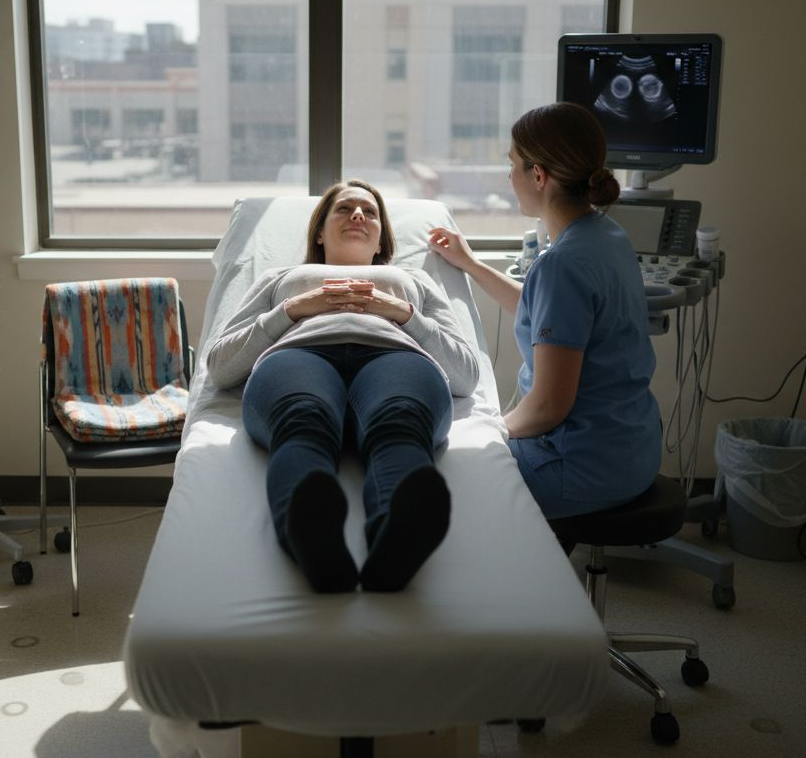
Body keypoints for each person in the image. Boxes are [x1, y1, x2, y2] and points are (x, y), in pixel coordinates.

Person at [206, 180, 480, 593]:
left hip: (395, 357)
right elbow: (221, 365)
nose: (358, 215)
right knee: (302, 418)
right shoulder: (282, 277)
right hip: (299, 355)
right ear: (319, 232)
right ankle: (312, 541)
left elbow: (465, 374)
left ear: (382, 238)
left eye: (369, 212)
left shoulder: (412, 281)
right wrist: (293, 309)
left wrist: (404, 314)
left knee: (400, 421)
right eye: (345, 209)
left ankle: (397, 538)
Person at [428, 103, 661, 532]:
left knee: (444, 483)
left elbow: (550, 406)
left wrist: (490, 431)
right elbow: (545, 314)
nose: (509, 177)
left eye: (513, 165)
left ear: (539, 176)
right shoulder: (606, 235)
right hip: (634, 448)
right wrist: (471, 263)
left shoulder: (564, 264)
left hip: (584, 464)